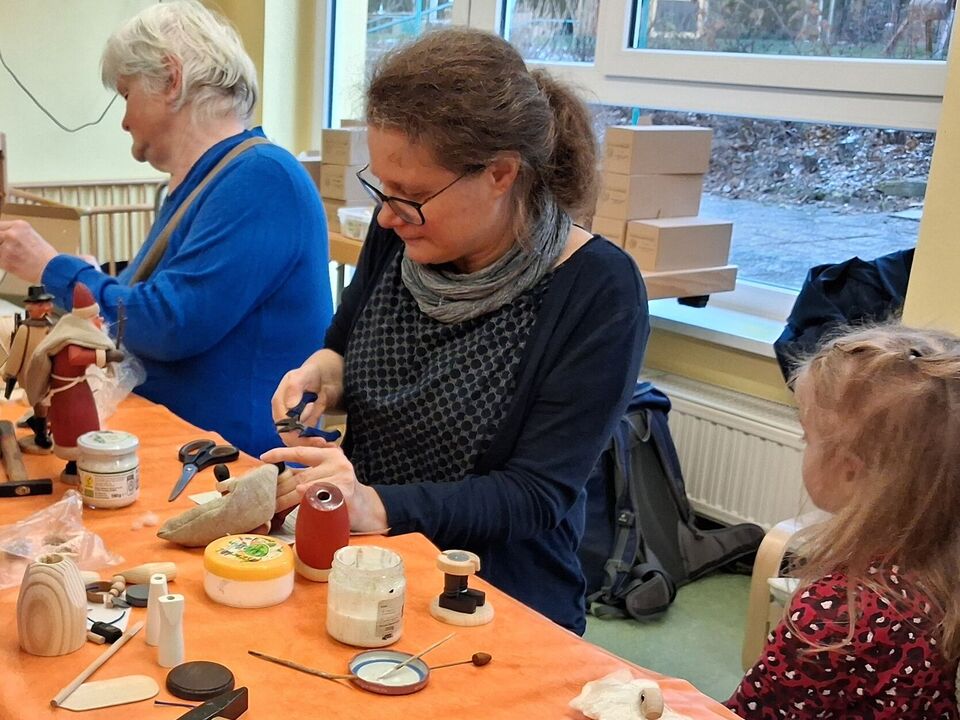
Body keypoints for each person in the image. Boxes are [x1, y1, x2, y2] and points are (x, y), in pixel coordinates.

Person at [263, 28, 649, 634]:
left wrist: (378, 503)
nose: (389, 215)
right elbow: (344, 342)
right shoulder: (399, 233)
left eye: (412, 196)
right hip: (367, 568)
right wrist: (323, 372)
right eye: (382, 190)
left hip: (493, 600)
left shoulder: (599, 290)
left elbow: (535, 494)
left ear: (499, 173)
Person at [0, 0, 332, 458]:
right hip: (192, 449)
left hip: (239, 465)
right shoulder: (205, 183)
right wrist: (90, 284)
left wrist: (53, 269)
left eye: (126, 93)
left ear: (171, 79)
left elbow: (171, 324)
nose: (124, 119)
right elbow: (156, 308)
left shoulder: (261, 176)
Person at [726, 323, 960, 719]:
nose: (805, 448)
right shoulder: (942, 571)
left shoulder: (837, 615)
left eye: (808, 438)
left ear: (850, 470)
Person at [22, 284, 123, 483]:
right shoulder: (72, 338)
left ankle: (80, 462)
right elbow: (75, 357)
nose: (101, 321)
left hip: (76, 389)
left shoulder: (72, 331)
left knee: (86, 424)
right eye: (96, 318)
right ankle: (73, 466)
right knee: (77, 428)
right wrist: (104, 355)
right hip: (69, 395)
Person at [2, 285, 56, 452]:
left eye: (46, 304)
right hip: (31, 373)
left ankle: (37, 423)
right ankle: (41, 434)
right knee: (40, 401)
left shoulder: (50, 327)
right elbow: (16, 354)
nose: (46, 307)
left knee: (47, 401)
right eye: (41, 304)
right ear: (31, 307)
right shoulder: (25, 329)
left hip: (49, 371)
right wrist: (9, 372)